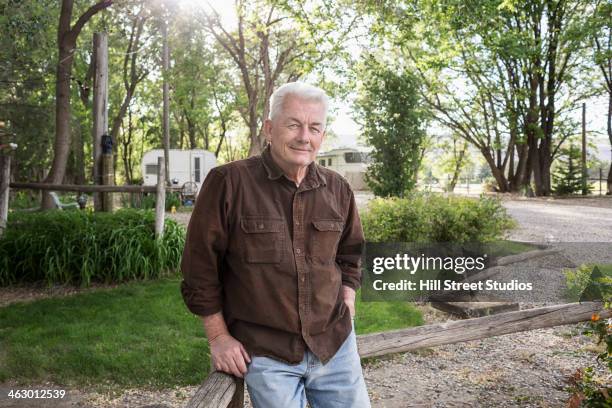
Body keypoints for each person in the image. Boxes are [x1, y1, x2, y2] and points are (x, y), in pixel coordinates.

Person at [180, 82, 371, 408]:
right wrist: (218, 337)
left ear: (323, 136)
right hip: (267, 353)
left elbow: (351, 254)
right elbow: (199, 270)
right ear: (269, 128)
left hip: (335, 346)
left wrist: (348, 304)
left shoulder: (338, 189)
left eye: (314, 127)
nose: (304, 136)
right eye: (293, 124)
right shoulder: (228, 183)